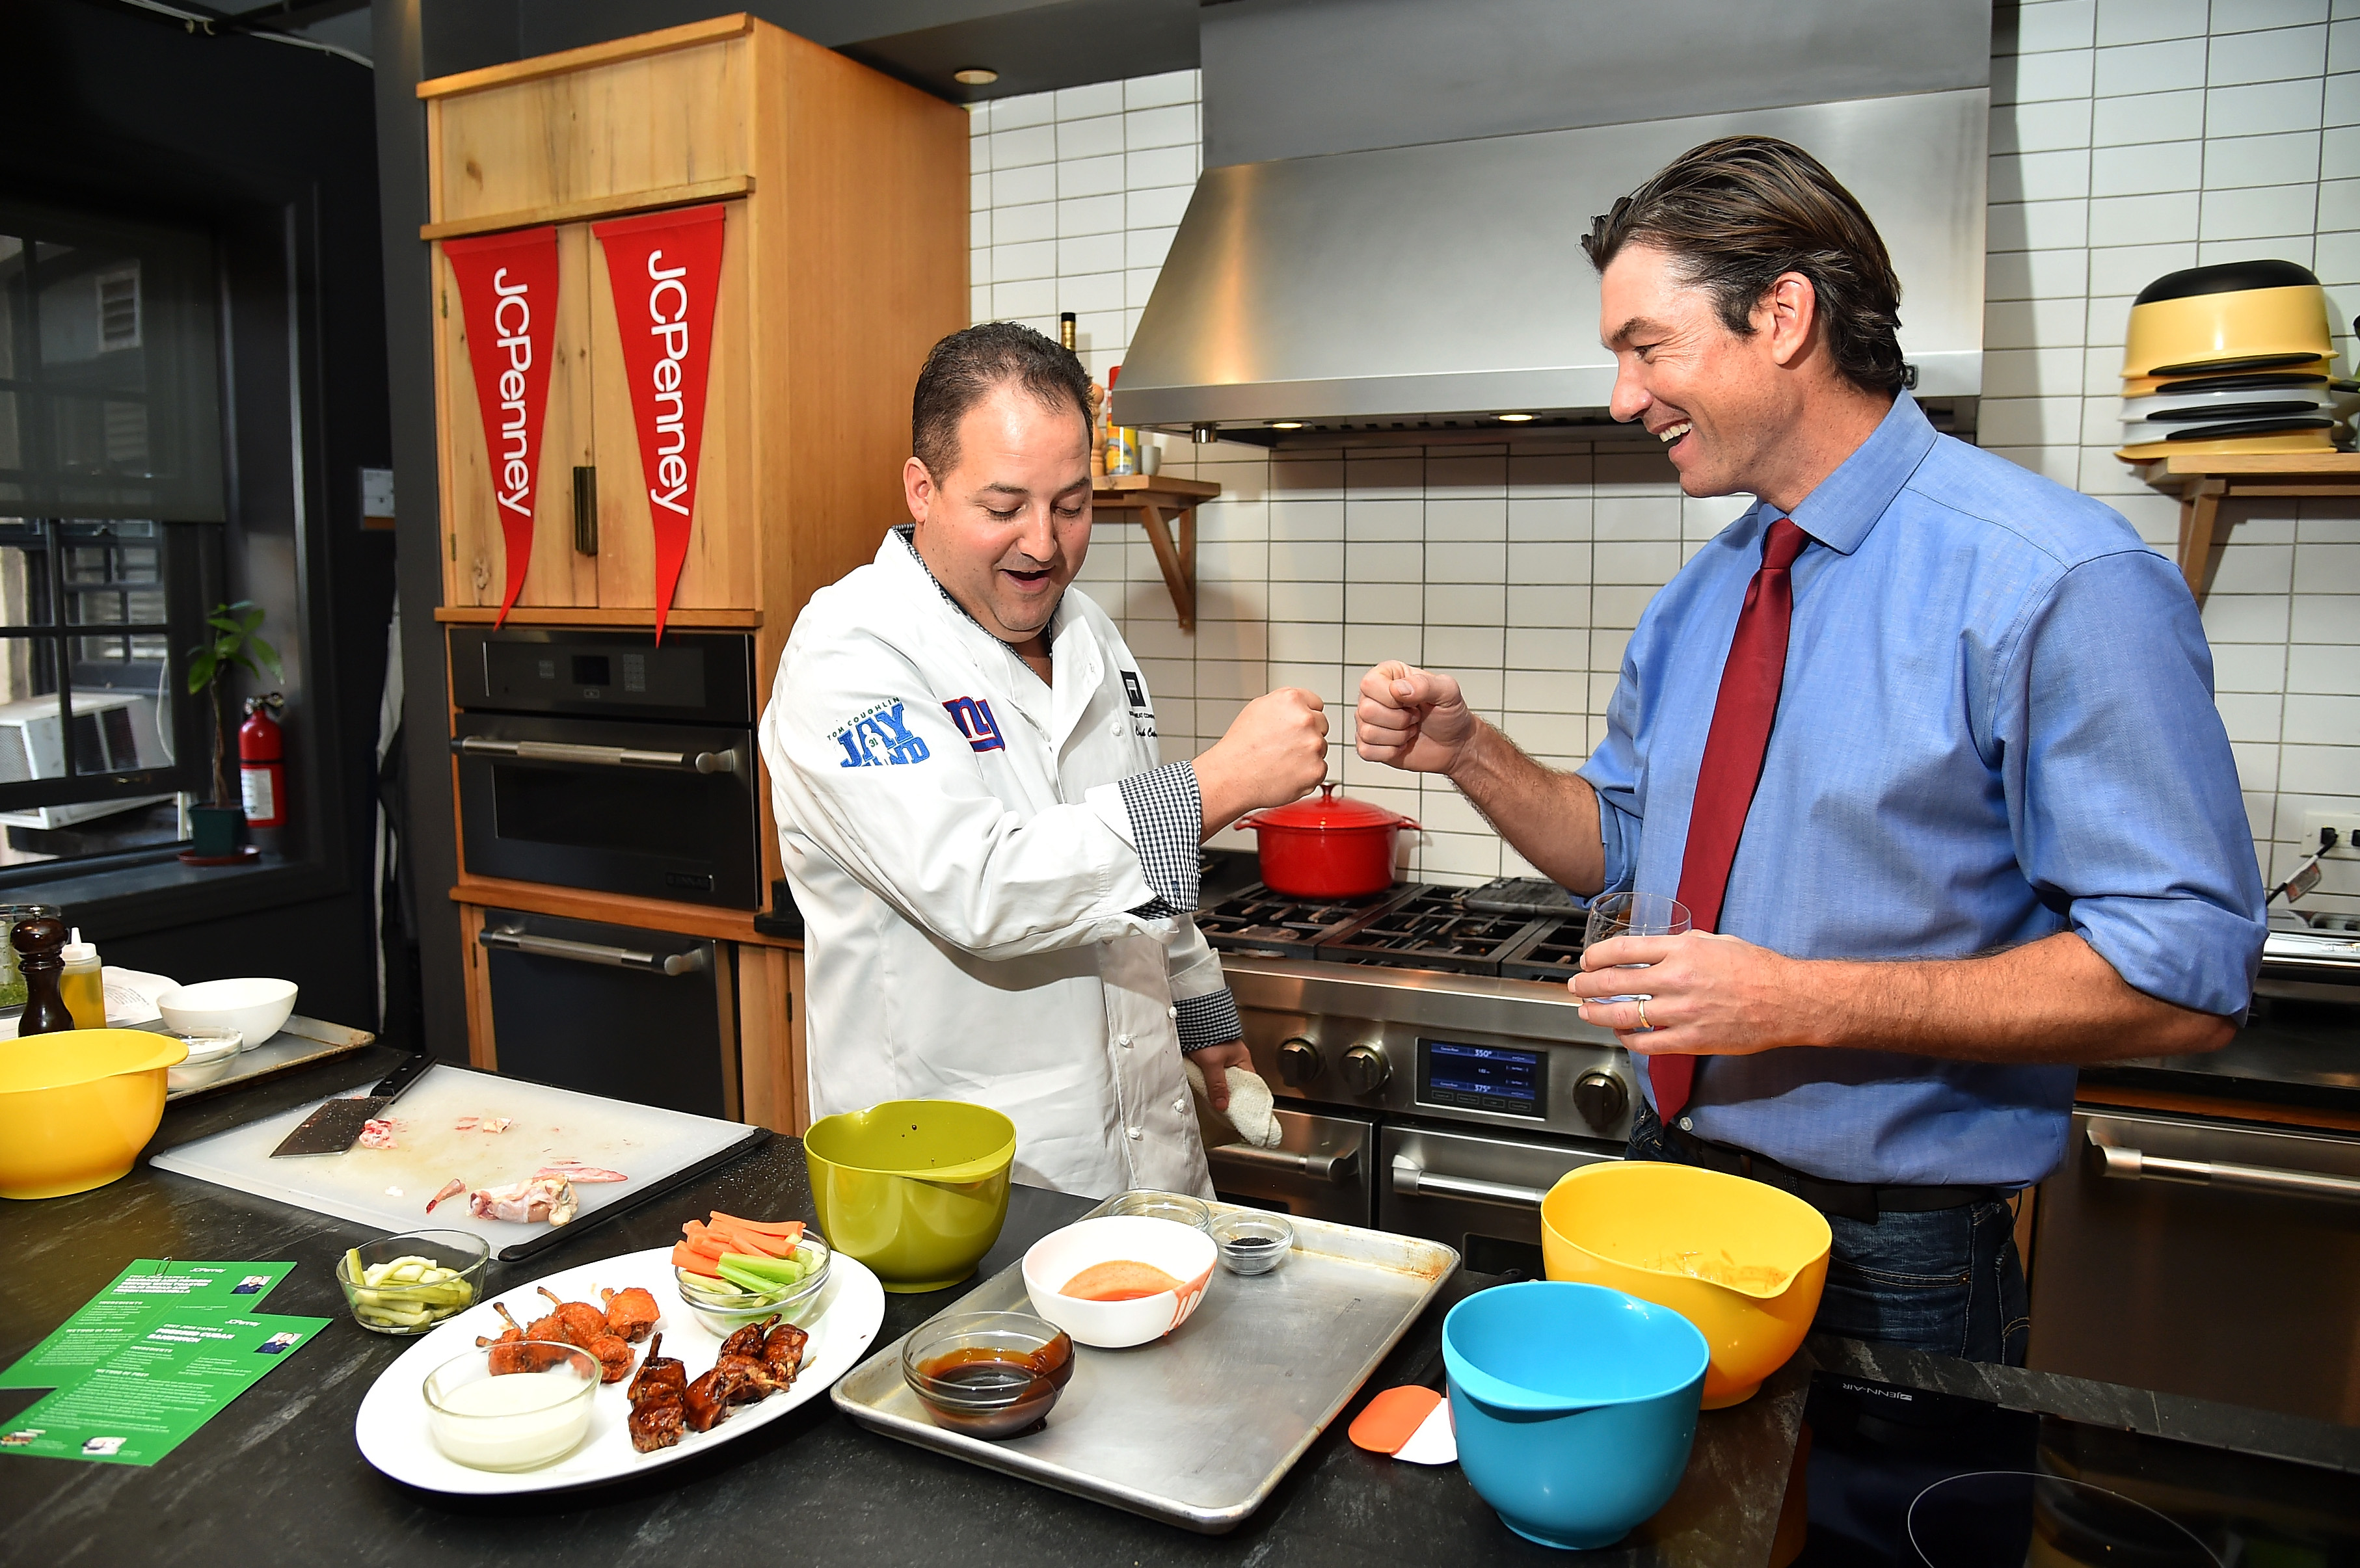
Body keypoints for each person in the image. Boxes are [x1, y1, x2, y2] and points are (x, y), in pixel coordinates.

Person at [1354, 137, 2264, 1363]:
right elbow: (1620, 843)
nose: (1625, 397)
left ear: (1783, 315)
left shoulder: (2060, 582)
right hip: (1673, 1186)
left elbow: (2184, 976)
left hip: (1897, 1257)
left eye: (1645, 347)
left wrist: (1793, 1000)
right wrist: (1472, 754)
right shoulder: (1704, 597)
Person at [761, 323, 1329, 1198]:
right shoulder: (851, 654)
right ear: (922, 488)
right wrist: (1219, 785)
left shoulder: (1092, 637)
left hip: (1149, 1168)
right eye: (1003, 509)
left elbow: (1135, 872)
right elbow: (981, 889)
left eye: (1072, 505)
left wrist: (1202, 1012)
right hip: (961, 1187)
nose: (1044, 544)